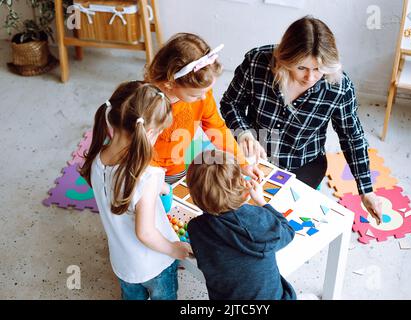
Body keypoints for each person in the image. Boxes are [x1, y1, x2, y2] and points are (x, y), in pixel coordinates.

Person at [220, 16, 382, 224]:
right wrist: (243, 132)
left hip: (303, 163)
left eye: (318, 69)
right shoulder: (256, 62)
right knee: (230, 213)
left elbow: (352, 138)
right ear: (284, 59)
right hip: (252, 157)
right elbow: (230, 103)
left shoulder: (340, 87)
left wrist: (366, 190)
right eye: (302, 68)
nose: (311, 77)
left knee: (282, 223)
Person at [79, 81, 192, 300]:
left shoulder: (97, 159)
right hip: (155, 263)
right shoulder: (148, 175)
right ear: (149, 133)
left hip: (122, 262)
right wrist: (173, 249)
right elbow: (146, 233)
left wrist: (159, 187)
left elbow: (125, 185)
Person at [144, 32, 262, 184]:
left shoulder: (201, 95)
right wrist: (153, 178)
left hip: (177, 169)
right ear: (170, 83)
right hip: (146, 171)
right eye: (195, 95)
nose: (204, 98)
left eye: (206, 92)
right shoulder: (145, 104)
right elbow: (134, 150)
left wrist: (242, 162)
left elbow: (217, 128)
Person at [186, 149, 297, 300]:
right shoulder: (259, 217)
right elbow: (288, 232)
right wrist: (261, 202)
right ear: (243, 187)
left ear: (194, 194)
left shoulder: (195, 228)